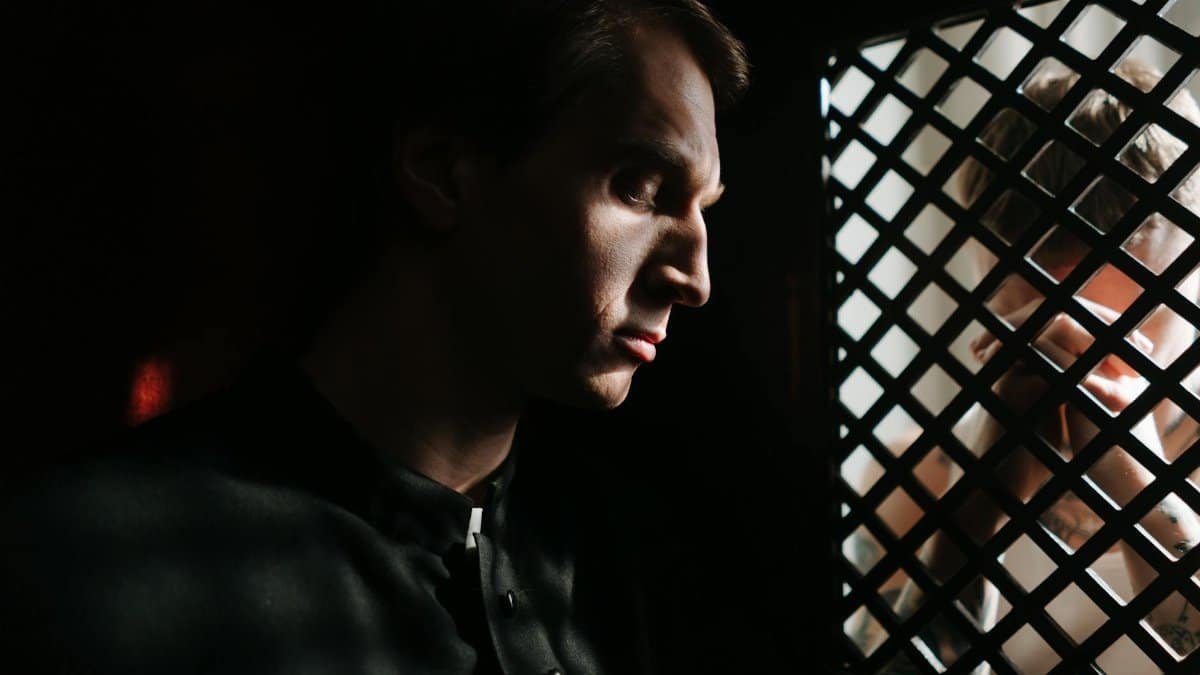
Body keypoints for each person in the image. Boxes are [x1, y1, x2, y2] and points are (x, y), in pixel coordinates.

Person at [0, 2, 749, 674]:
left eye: (702, 207)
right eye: (640, 188)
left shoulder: (621, 565)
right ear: (444, 174)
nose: (694, 276)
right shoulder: (96, 560)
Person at [847, 58, 1200, 672]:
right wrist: (978, 508)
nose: (1076, 354)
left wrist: (1140, 483)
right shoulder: (912, 479)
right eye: (1034, 320)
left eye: (1133, 331)